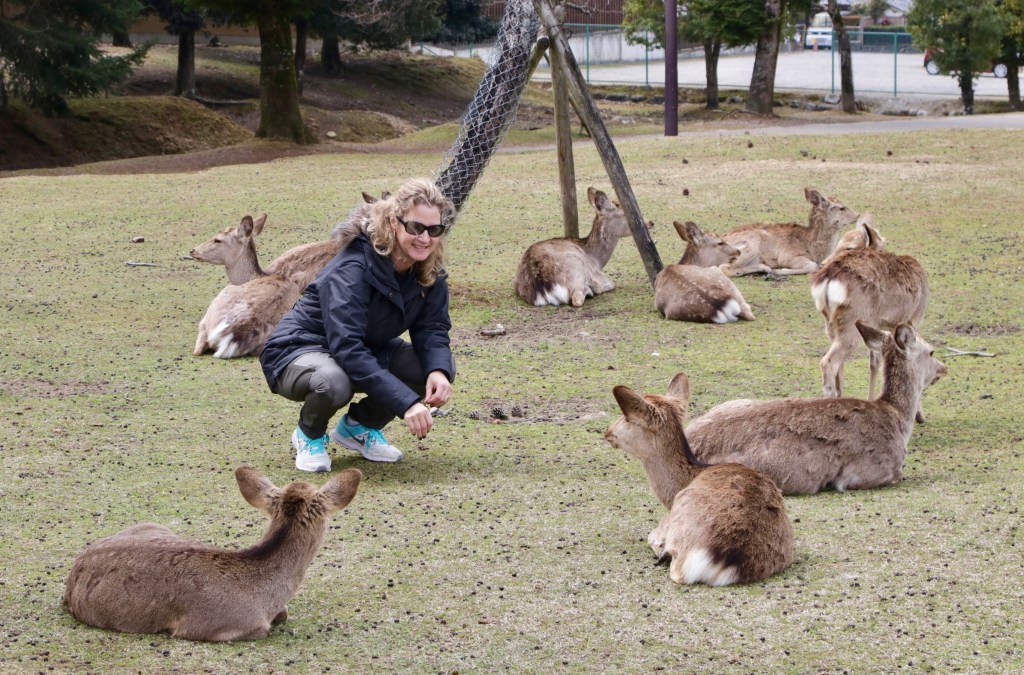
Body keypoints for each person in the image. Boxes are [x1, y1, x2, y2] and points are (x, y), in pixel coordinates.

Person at [260, 178, 456, 472]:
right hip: (298, 350)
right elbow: (347, 348)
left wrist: (438, 370)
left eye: (434, 230)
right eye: (416, 228)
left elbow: (432, 329)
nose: (425, 239)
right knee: (333, 382)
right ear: (394, 222)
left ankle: (358, 427)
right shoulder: (353, 269)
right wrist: (406, 403)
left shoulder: (429, 269)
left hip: (362, 346)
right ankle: (309, 435)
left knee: (430, 367)